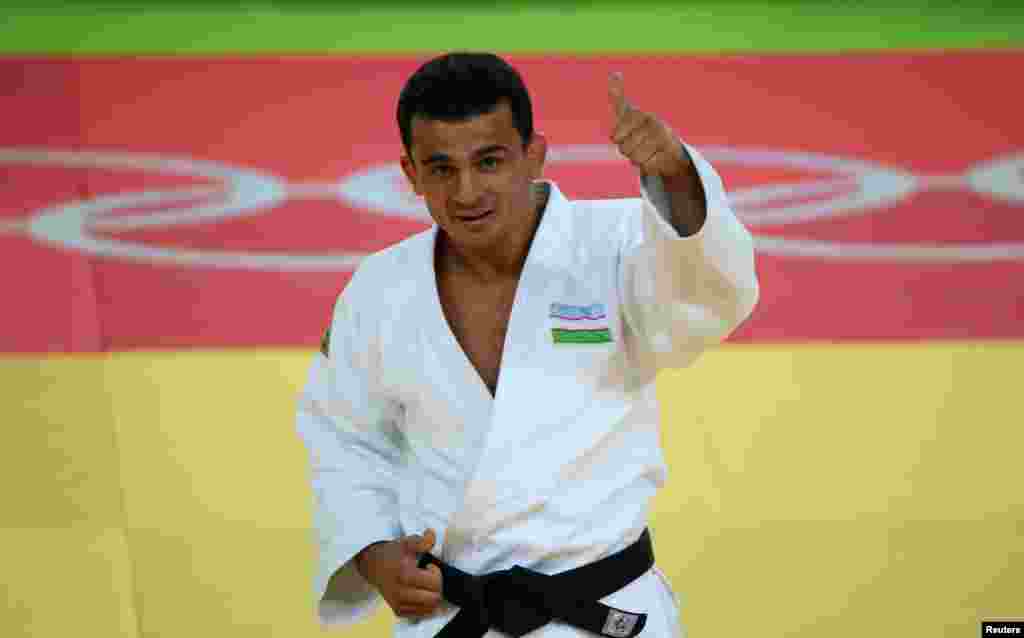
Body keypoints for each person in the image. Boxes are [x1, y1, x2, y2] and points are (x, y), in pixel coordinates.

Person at [295, 52, 759, 637]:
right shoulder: (379, 289)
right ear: (411, 174)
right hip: (451, 616)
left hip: (602, 610)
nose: (466, 192)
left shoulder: (616, 245)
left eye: (489, 161)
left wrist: (674, 175)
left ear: (533, 156)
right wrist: (371, 550)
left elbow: (711, 301)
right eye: (440, 168)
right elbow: (344, 437)